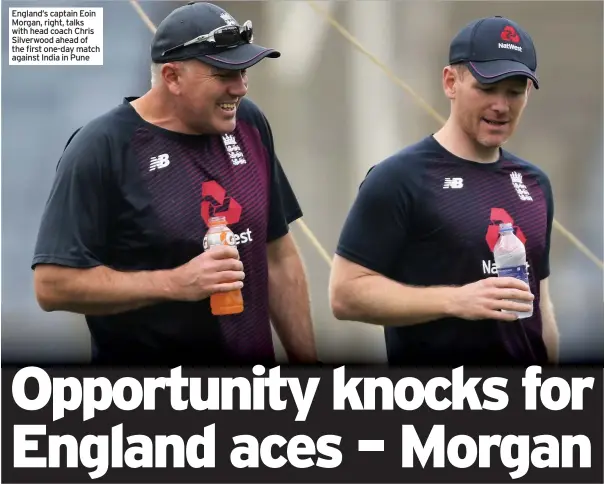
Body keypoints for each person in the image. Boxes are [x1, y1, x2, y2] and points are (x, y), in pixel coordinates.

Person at [32, 2, 317, 366]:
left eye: (244, 71)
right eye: (224, 74)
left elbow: (278, 255)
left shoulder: (249, 124)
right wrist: (177, 283)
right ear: (172, 77)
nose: (240, 87)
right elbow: (52, 285)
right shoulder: (102, 148)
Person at [329, 16, 559, 366]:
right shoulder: (399, 178)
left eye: (514, 92)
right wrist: (456, 301)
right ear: (451, 82)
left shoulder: (535, 183)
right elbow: (345, 295)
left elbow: (541, 306)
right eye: (486, 88)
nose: (501, 106)